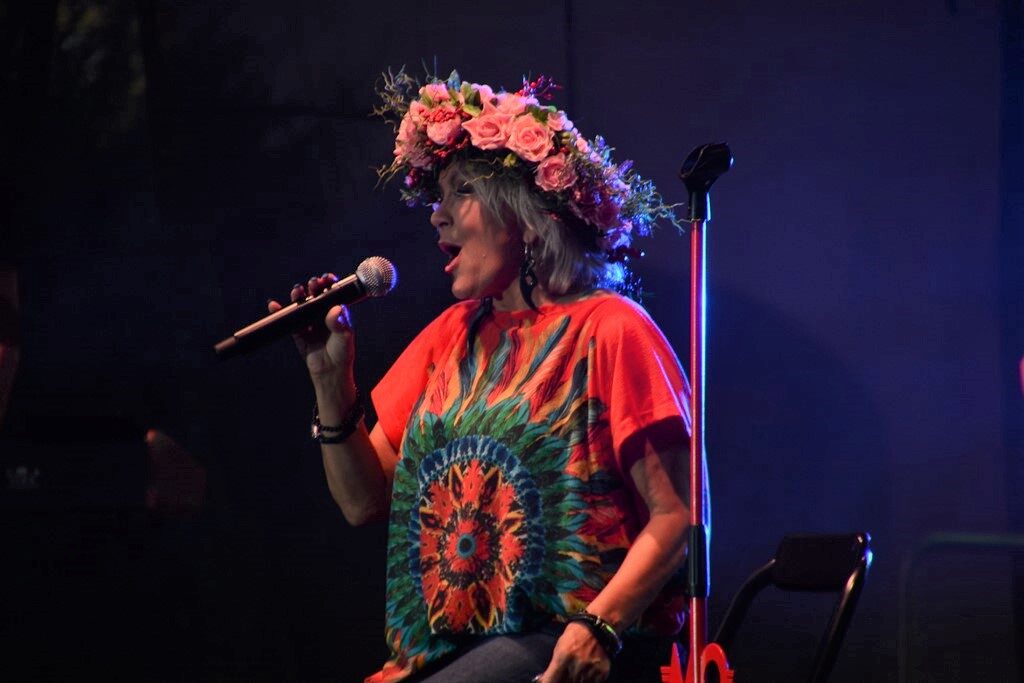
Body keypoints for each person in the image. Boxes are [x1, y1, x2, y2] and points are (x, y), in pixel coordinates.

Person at [272, 71, 697, 683]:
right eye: (438, 199)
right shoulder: (451, 335)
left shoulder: (610, 328)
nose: (438, 217)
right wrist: (328, 380)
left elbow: (678, 514)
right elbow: (363, 502)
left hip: (570, 640)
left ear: (526, 215)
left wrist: (600, 625)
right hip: (448, 645)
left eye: (461, 194)